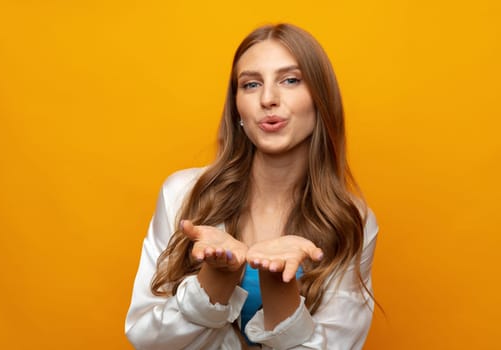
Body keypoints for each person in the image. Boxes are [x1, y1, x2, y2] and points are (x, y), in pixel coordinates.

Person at [125, 23, 379, 350]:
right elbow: (146, 338)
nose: (268, 99)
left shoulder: (350, 220)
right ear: (238, 109)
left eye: (290, 80)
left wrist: (279, 285)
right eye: (251, 84)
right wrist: (214, 280)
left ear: (320, 99)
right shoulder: (184, 193)